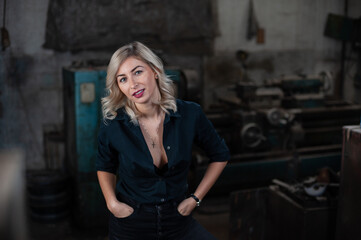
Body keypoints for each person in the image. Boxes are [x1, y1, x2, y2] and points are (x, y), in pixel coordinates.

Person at [96, 41, 229, 240]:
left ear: (155, 70)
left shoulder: (190, 113)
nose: (133, 84)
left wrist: (196, 199)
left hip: (178, 219)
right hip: (132, 223)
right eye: (123, 79)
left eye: (138, 72)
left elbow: (220, 155)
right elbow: (104, 165)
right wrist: (112, 203)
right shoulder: (114, 124)